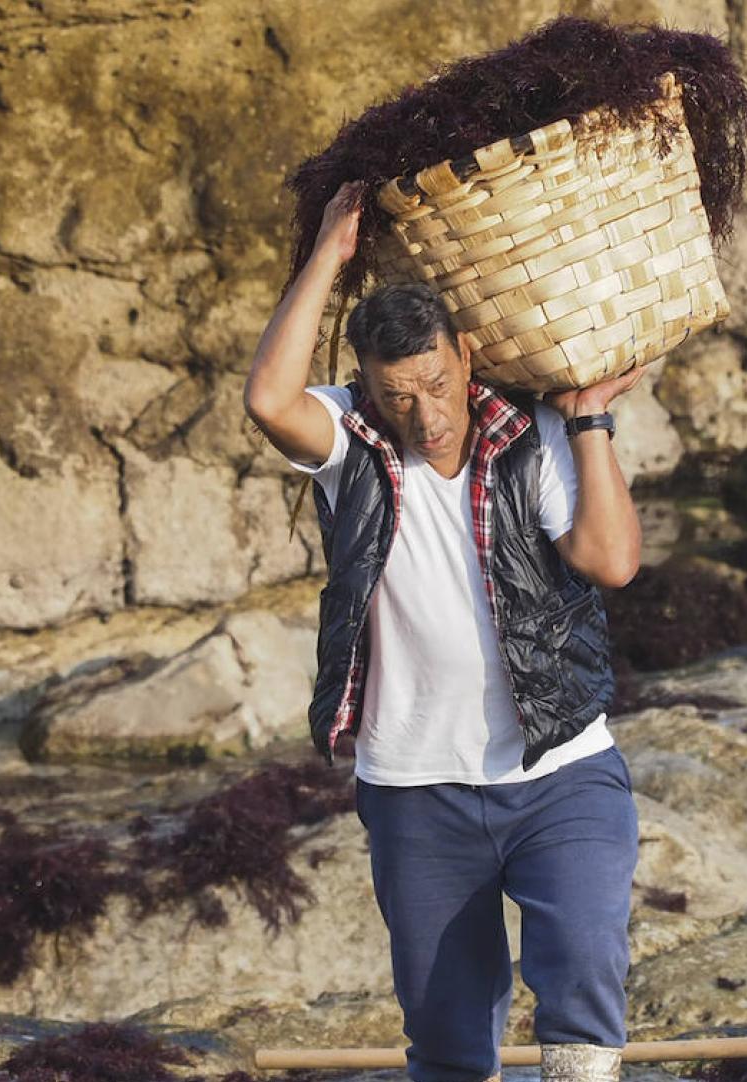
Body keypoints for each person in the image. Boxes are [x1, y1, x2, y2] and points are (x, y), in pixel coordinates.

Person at [244, 181, 643, 1082]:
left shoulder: (531, 434)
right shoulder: (350, 443)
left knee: (583, 971)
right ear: (368, 390)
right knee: (448, 1033)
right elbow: (269, 398)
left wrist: (590, 423)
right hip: (416, 791)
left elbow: (611, 560)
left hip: (560, 773)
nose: (425, 416)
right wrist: (327, 257)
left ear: (466, 355)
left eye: (435, 385)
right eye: (398, 397)